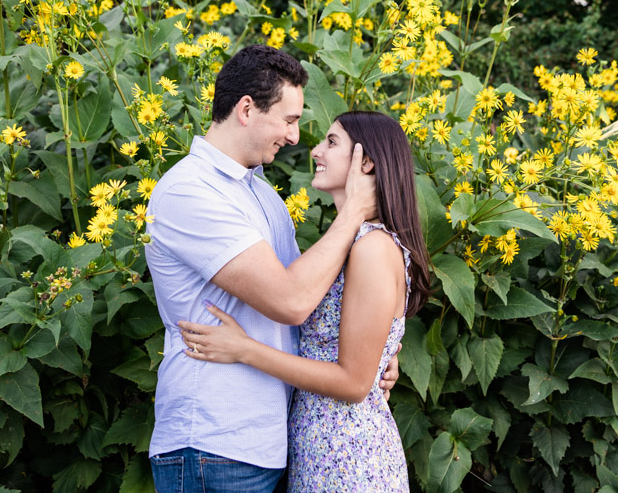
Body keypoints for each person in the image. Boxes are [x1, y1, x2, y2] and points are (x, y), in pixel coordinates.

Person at [145, 45, 398, 493]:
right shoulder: (190, 190)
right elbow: (292, 301)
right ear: (246, 109)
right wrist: (354, 210)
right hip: (212, 442)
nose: (297, 138)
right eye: (289, 120)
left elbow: (316, 289)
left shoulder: (261, 196)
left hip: (270, 441)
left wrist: (378, 351)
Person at [178, 111, 431, 492]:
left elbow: (354, 383)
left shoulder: (373, 248)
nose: (315, 150)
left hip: (351, 460)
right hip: (324, 452)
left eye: (331, 142)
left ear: (366, 162)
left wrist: (245, 350)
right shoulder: (352, 242)